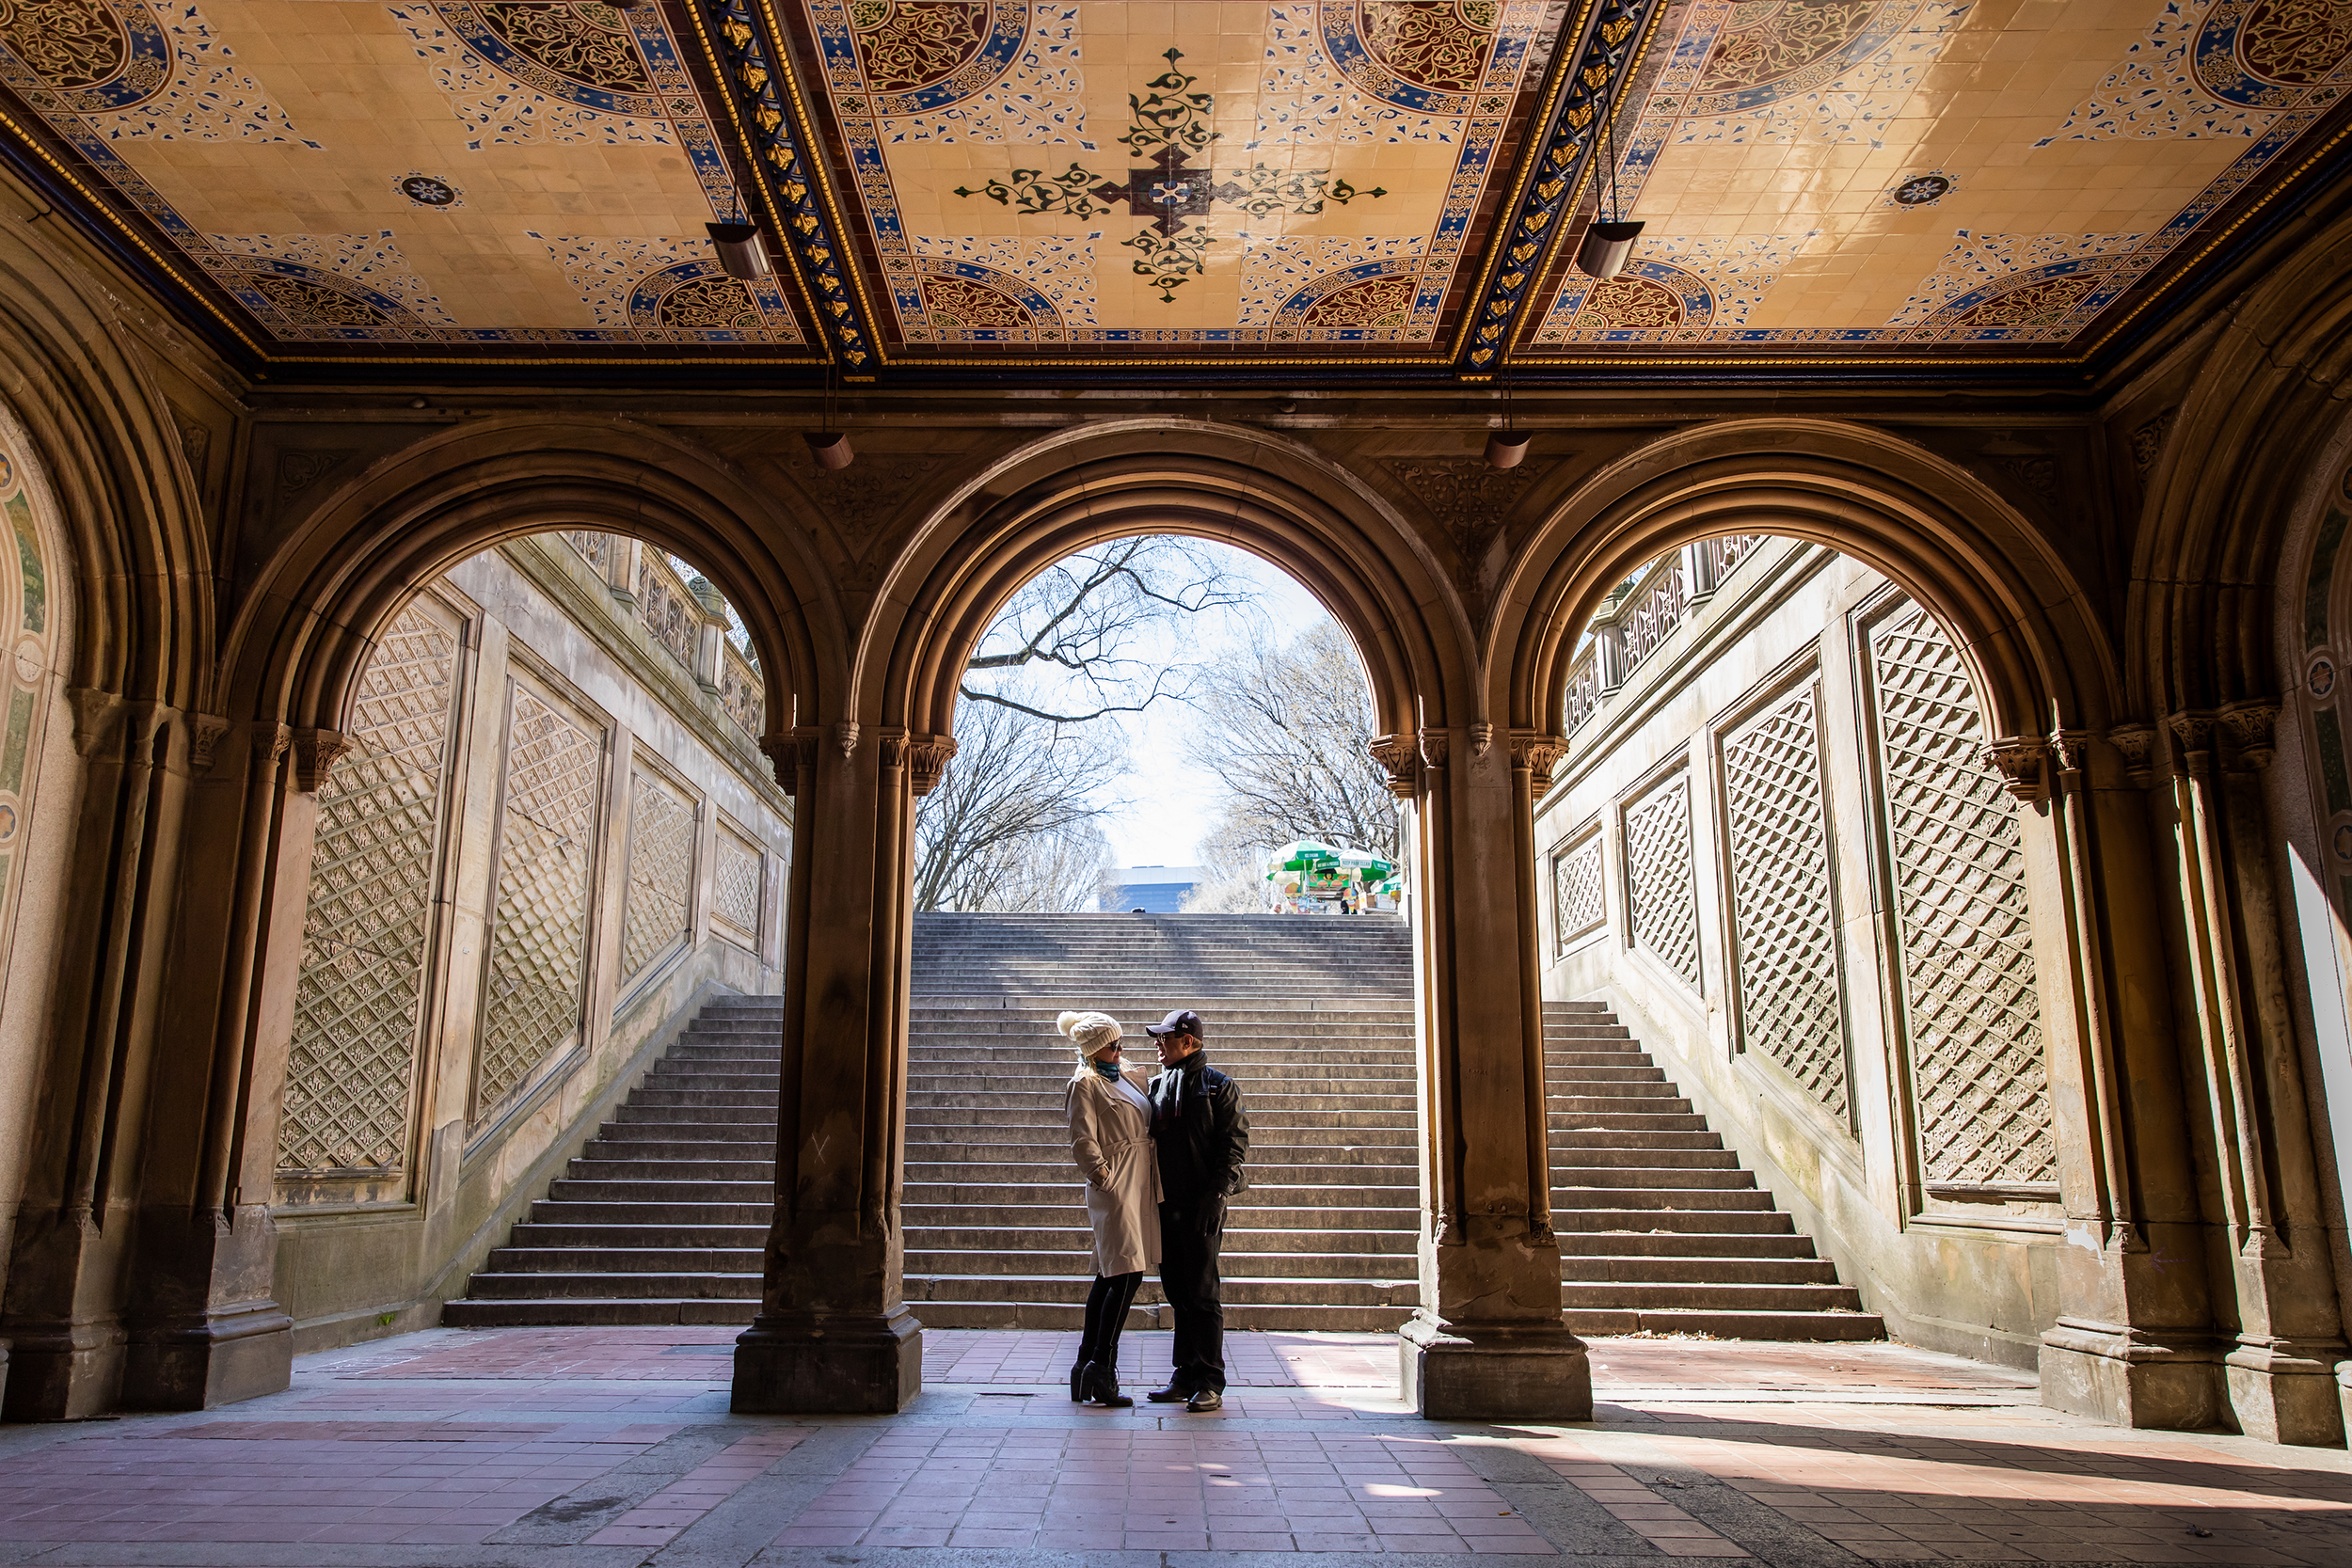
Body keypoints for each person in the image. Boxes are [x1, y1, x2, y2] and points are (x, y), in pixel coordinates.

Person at [1143, 1007, 1249, 1412]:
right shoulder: (1156, 1085)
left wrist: (1217, 1196)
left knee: (1203, 1293)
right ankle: (1184, 1374)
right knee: (1177, 1290)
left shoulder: (1219, 1087)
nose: (1158, 1044)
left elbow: (1233, 1147)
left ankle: (1209, 1379)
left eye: (1165, 1038)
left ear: (1188, 1041)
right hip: (1165, 1205)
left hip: (1202, 1205)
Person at [1058, 1008, 1160, 1409]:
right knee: (1127, 1273)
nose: (1119, 1048)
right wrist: (1105, 1178)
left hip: (1139, 1180)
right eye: (1110, 1044)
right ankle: (1102, 1367)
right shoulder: (1084, 1082)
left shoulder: (1125, 1075)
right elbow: (1082, 1138)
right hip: (1117, 1184)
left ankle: (1086, 1364)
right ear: (1092, 1048)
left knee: (1109, 1274)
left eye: (1119, 1041)